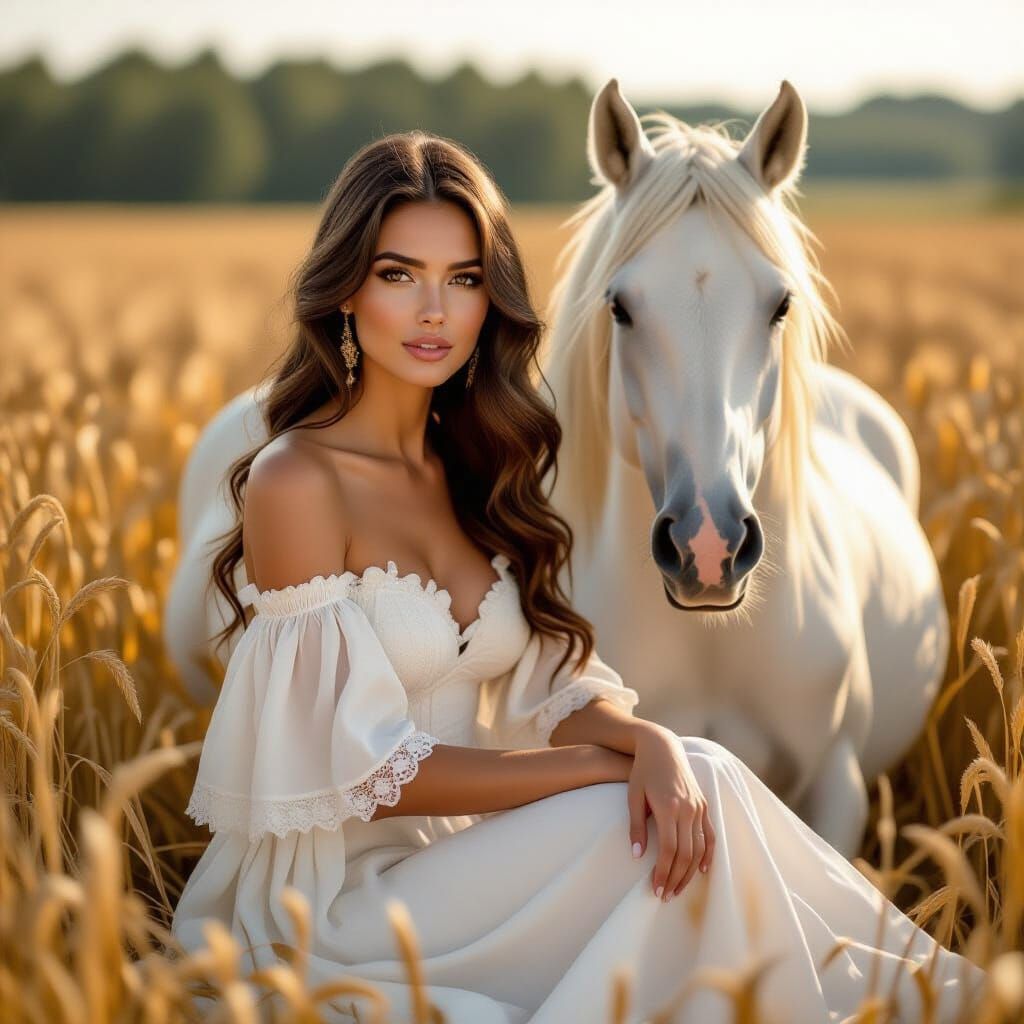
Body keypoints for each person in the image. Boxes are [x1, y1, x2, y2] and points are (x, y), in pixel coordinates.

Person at [170, 130, 986, 1023]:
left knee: (694, 780)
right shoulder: (296, 480)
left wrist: (649, 743)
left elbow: (546, 682)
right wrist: (597, 771)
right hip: (334, 901)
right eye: (400, 275)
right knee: (691, 796)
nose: (435, 310)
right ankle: (929, 1001)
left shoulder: (480, 468)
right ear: (345, 291)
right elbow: (361, 773)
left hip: (465, 865)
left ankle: (907, 999)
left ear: (494, 299)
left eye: (466, 279)